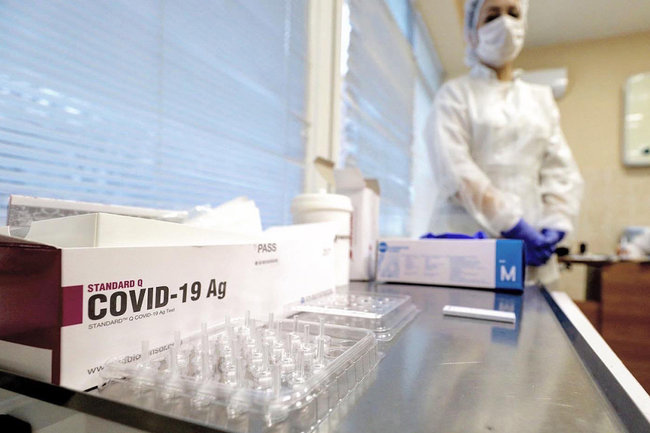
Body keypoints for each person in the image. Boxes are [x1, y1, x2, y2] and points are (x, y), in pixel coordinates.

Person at [424, 0, 584, 285]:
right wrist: (513, 225)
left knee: (533, 311)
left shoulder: (540, 99)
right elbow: (455, 170)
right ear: (472, 32)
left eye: (513, 13)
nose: (505, 24)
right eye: (492, 16)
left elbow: (560, 171)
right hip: (468, 242)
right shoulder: (455, 95)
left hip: (532, 251)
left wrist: (555, 223)